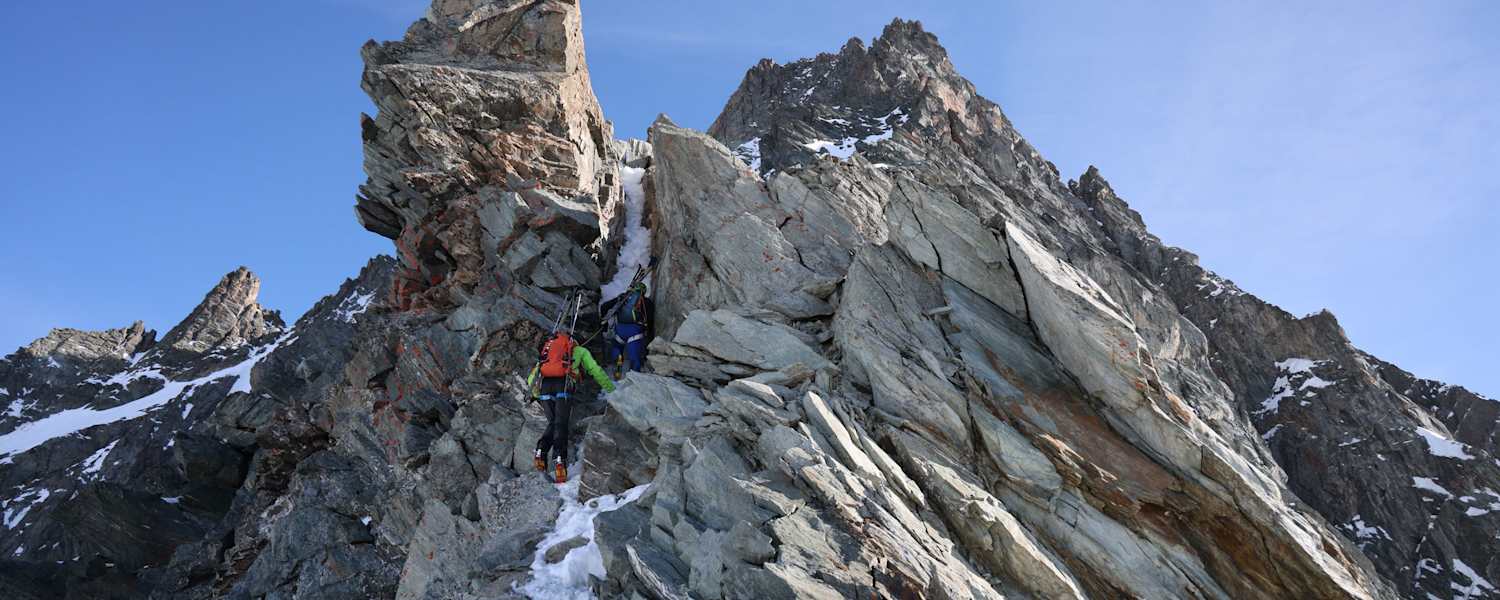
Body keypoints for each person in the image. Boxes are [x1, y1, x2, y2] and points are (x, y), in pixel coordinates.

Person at [526, 327, 614, 483]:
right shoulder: (579, 350)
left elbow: (533, 376)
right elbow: (595, 370)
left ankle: (540, 452)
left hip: (545, 387)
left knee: (553, 423)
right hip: (563, 386)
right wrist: (611, 389)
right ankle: (559, 460)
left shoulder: (548, 351)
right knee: (561, 424)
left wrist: (534, 394)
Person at [601, 281, 654, 378]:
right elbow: (650, 321)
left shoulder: (622, 298)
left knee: (617, 346)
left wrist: (603, 327)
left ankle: (618, 362)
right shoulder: (647, 302)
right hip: (635, 332)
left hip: (620, 330)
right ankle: (634, 375)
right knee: (635, 357)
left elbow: (604, 307)